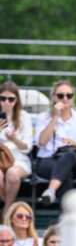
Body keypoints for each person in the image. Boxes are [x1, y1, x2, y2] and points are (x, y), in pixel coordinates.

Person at [36, 80, 76, 206]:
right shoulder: (43, 117)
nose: (65, 99)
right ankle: (64, 214)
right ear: (53, 97)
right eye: (60, 96)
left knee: (69, 156)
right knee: (66, 172)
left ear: (73, 97)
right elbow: (41, 142)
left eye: (69, 95)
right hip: (48, 160)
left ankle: (51, 190)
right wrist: (55, 117)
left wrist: (75, 144)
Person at [0, 82, 33, 218]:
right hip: (1, 157)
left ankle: (6, 211)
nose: (6, 102)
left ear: (16, 100)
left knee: (12, 175)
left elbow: (27, 147)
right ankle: (10, 208)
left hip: (18, 156)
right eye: (3, 98)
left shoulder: (23, 116)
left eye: (11, 99)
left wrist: (15, 139)